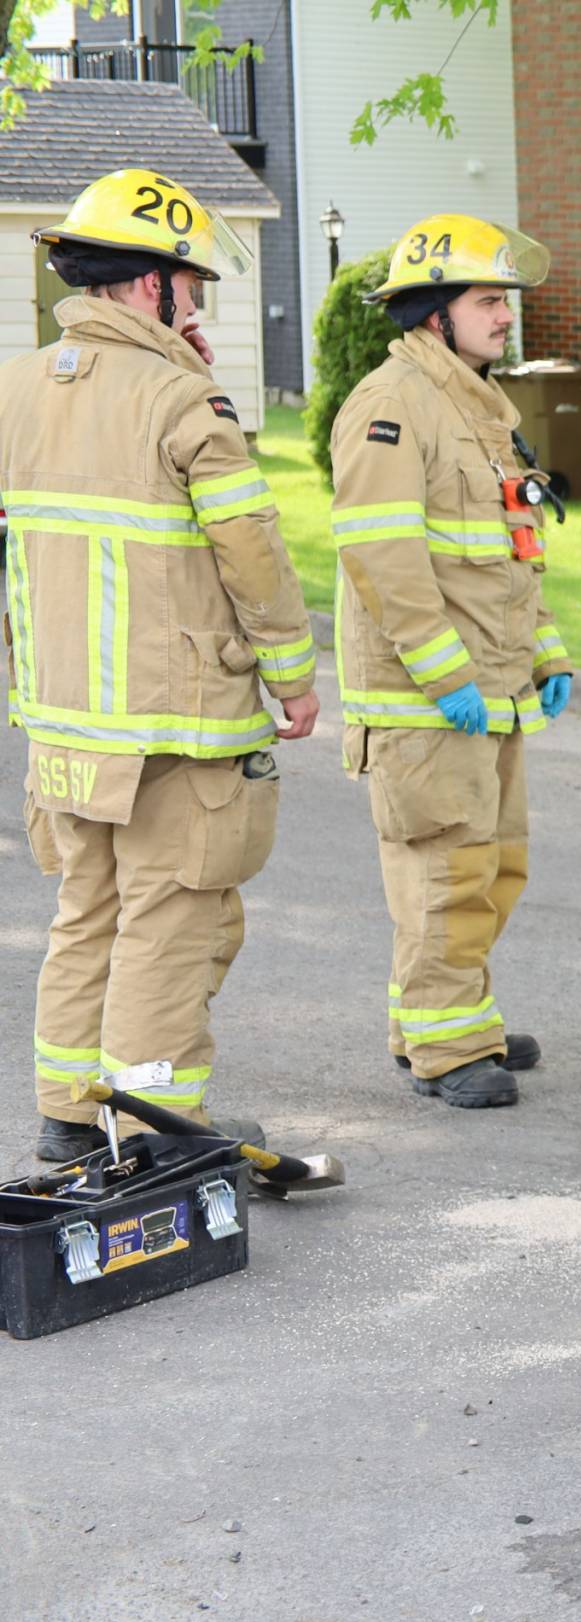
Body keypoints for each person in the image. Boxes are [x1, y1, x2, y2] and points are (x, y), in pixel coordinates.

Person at [0, 169, 320, 1162]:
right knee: (172, 921)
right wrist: (293, 676)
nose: (200, 302)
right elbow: (253, 550)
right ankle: (151, 1129)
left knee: (86, 911)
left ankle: (66, 1115)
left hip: (61, 722)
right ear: (154, 288)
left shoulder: (13, 386)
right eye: (197, 285)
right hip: (175, 727)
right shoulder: (184, 400)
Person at [329, 214, 569, 1112]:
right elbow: (380, 558)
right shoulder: (392, 405)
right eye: (486, 299)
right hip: (430, 700)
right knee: (446, 871)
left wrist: (545, 650)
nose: (505, 315)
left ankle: (436, 1014)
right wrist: (446, 677)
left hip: (491, 692)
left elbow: (514, 549)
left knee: (495, 866)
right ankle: (446, 1045)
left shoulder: (478, 411)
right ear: (435, 315)